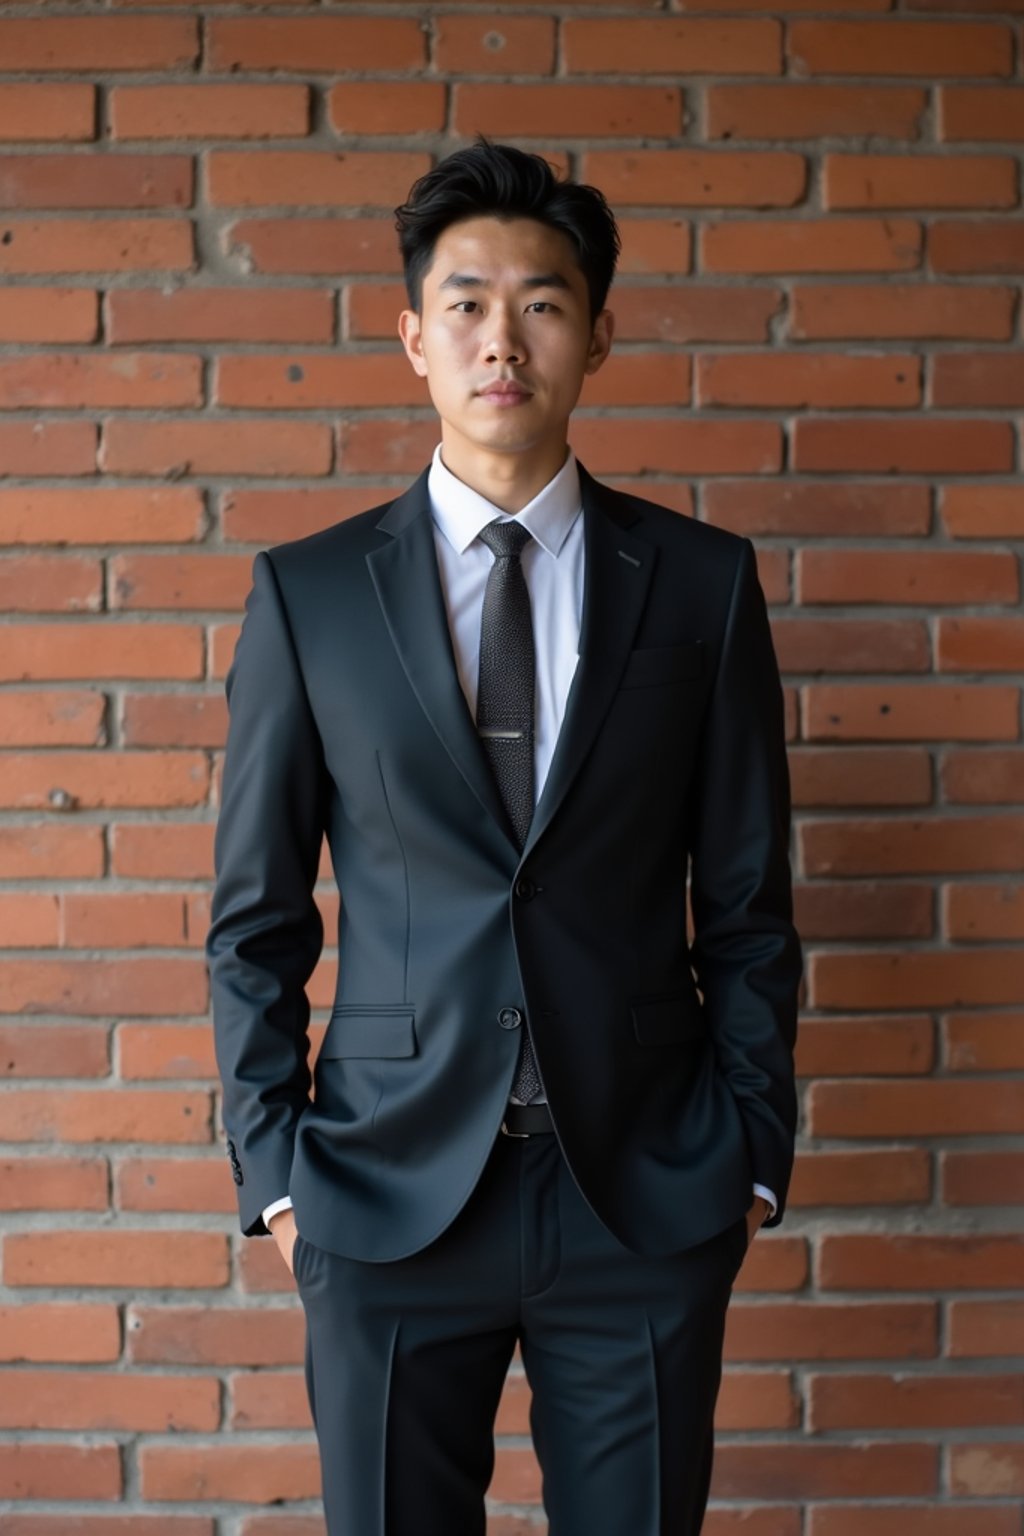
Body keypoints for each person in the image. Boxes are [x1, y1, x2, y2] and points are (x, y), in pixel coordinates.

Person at [207, 137, 802, 1536]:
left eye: (541, 302)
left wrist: (752, 1157)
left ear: (597, 334)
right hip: (382, 1197)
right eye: (466, 303)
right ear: (412, 338)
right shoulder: (310, 599)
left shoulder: (704, 588)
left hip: (644, 1200)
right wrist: (275, 1177)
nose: (502, 338)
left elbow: (751, 901)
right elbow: (255, 918)